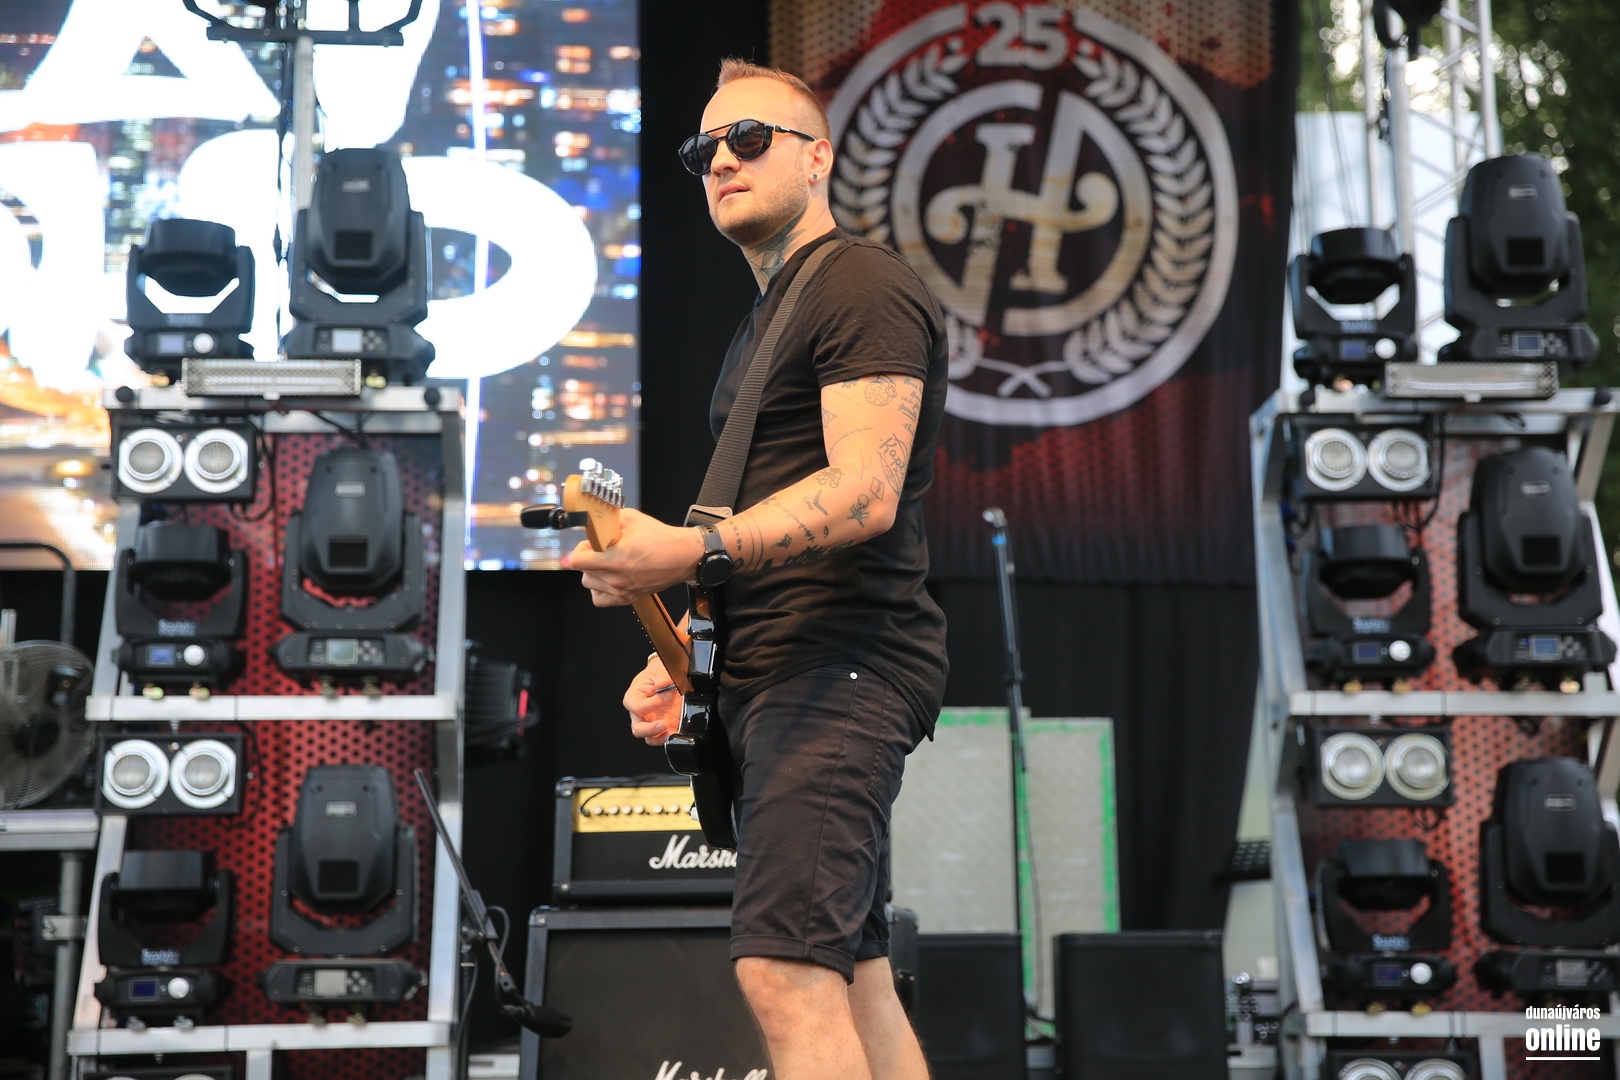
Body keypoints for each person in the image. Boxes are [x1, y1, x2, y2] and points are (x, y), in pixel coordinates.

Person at [567, 59, 948, 1080]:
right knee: (855, 976)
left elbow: (865, 492)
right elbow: (770, 512)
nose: (721, 162)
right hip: (783, 671)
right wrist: (687, 653)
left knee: (782, 972)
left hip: (837, 670)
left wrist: (688, 549)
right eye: (703, 150)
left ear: (818, 157)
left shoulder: (860, 284)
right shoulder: (769, 317)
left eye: (748, 139)